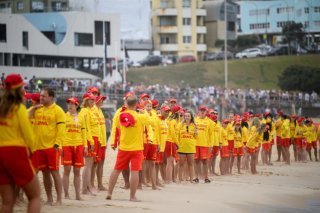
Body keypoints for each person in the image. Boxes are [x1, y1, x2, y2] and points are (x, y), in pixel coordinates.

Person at [0, 73, 41, 213]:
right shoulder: (19, 109)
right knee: (35, 196)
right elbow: (29, 136)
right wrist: (33, 151)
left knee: (7, 202)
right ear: (20, 90)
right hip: (16, 151)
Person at [106, 95, 153, 202]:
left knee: (116, 170)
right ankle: (132, 196)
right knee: (135, 171)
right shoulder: (140, 117)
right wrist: (143, 112)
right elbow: (150, 122)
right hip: (136, 148)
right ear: (136, 104)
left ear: (126, 104)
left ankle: (109, 193)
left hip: (123, 147)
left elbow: (116, 127)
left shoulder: (120, 115)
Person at [29, 87, 65, 205]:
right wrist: (33, 108)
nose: (41, 98)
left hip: (52, 147)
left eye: (44, 96)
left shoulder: (58, 110)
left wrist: (58, 143)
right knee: (45, 173)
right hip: (38, 147)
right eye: (41, 95)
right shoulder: (37, 109)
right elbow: (24, 117)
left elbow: (61, 129)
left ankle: (59, 199)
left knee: (55, 172)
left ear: (51, 97)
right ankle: (49, 199)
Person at [62, 97, 86, 200]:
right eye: (69, 103)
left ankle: (77, 195)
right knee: (67, 170)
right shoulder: (63, 116)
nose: (70, 105)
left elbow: (84, 133)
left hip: (79, 145)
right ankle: (66, 194)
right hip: (67, 145)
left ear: (77, 105)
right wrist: (61, 146)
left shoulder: (81, 117)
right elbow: (60, 132)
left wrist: (85, 146)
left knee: (77, 171)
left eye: (72, 104)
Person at [78, 93, 96, 195]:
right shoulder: (84, 111)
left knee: (90, 165)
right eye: (91, 100)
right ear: (86, 101)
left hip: (91, 139)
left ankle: (87, 187)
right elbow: (85, 128)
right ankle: (84, 189)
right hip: (89, 140)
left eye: (94, 100)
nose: (93, 102)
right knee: (88, 165)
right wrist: (90, 141)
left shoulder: (89, 110)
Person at [177, 110, 198, 183]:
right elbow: (177, 135)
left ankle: (191, 179)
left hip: (191, 147)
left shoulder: (194, 125)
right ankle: (180, 179)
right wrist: (177, 144)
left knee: (191, 164)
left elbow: (196, 137)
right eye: (185, 116)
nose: (187, 117)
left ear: (191, 117)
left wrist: (196, 131)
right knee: (181, 164)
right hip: (182, 147)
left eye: (188, 116)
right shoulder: (180, 125)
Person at [194, 106, 213, 183]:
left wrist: (211, 145)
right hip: (195, 144)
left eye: (203, 111)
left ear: (206, 112)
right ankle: (196, 177)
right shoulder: (195, 120)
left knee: (205, 161)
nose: (202, 112)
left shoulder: (209, 122)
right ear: (199, 111)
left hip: (205, 144)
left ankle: (206, 177)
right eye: (201, 110)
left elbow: (211, 134)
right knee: (196, 161)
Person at [95, 95, 108, 191]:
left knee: (101, 163)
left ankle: (100, 184)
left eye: (102, 100)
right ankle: (91, 184)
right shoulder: (94, 110)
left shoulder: (100, 111)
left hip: (103, 141)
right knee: (94, 164)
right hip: (98, 141)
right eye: (101, 100)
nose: (102, 101)